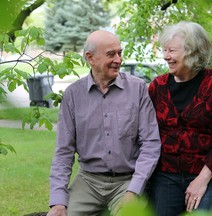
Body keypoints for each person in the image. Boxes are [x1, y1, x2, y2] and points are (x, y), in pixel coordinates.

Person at [47, 30, 161, 216]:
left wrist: (134, 189)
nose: (118, 59)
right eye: (111, 54)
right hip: (88, 181)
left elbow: (150, 144)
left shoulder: (138, 89)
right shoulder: (73, 95)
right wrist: (58, 201)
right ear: (90, 58)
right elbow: (63, 152)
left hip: (127, 181)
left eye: (120, 53)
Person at [147, 21, 212, 215]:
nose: (166, 56)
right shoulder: (158, 87)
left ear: (193, 51)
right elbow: (144, 131)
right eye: (164, 50)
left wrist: (202, 179)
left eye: (171, 51)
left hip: (206, 173)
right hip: (165, 175)